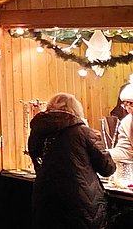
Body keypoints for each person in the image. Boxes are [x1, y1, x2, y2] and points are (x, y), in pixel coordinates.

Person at [29, 92, 115, 229]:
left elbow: (36, 157)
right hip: (80, 201)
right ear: (76, 110)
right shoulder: (84, 132)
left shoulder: (38, 131)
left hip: (45, 197)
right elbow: (107, 169)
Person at [109, 84, 133, 160]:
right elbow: (125, 150)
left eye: (132, 104)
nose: (129, 110)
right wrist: (102, 154)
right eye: (125, 105)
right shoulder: (126, 122)